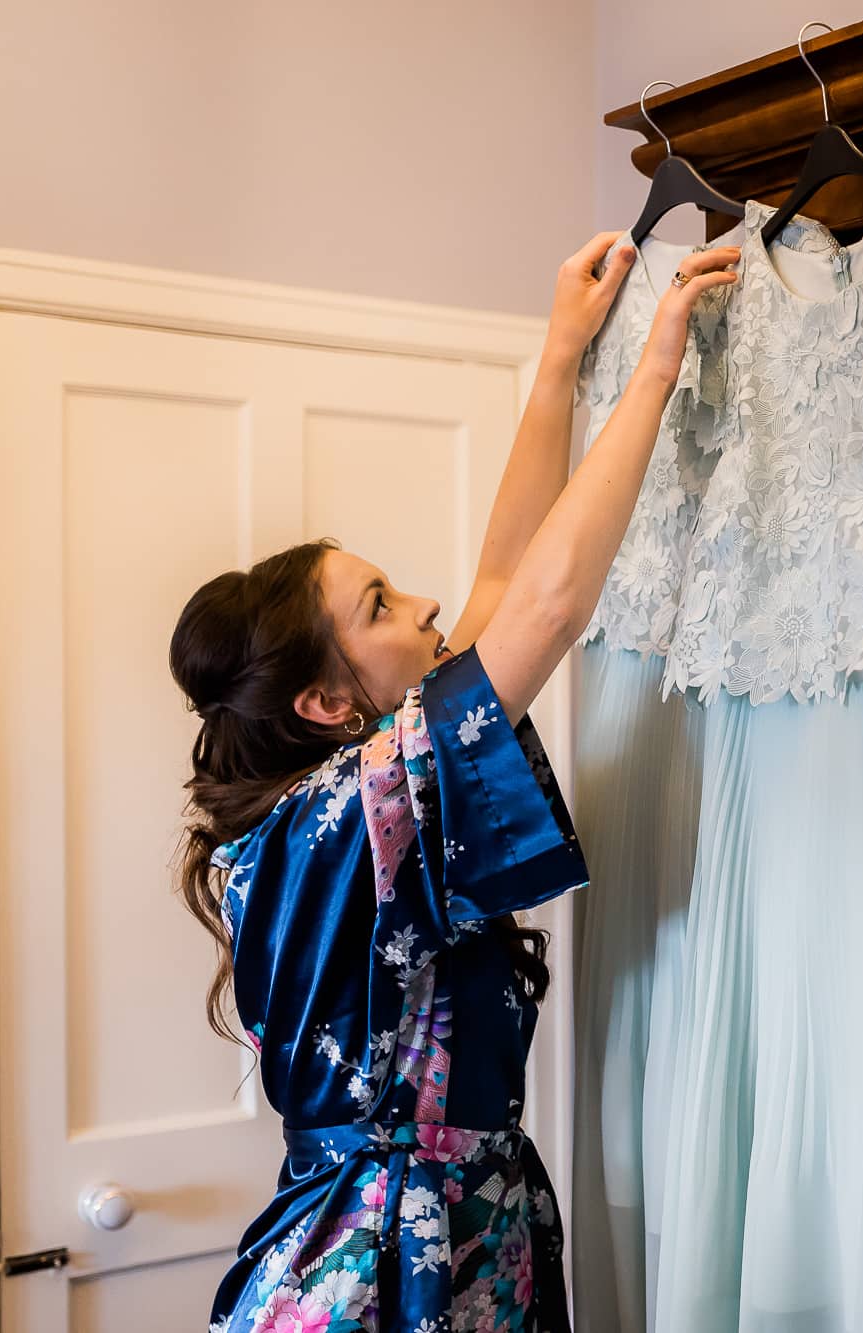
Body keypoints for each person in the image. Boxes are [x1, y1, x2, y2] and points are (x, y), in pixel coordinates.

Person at [174, 234, 739, 1333]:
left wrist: (561, 357)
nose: (423, 606)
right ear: (328, 705)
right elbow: (543, 608)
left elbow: (496, 582)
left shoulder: (339, 805)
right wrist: (657, 368)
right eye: (379, 607)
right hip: (388, 1256)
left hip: (436, 1225)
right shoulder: (354, 812)